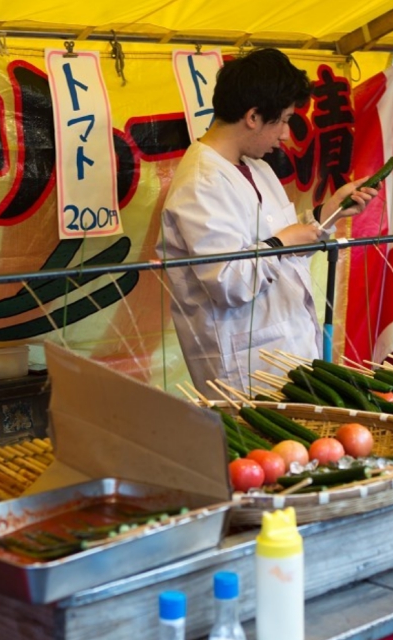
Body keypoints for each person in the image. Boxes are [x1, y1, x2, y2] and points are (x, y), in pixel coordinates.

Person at [157, 48, 380, 392]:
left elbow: (283, 240)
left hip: (286, 347)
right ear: (253, 116)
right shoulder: (200, 183)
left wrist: (330, 210)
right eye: (285, 119)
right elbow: (228, 282)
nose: (286, 135)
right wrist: (283, 242)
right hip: (244, 366)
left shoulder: (256, 167)